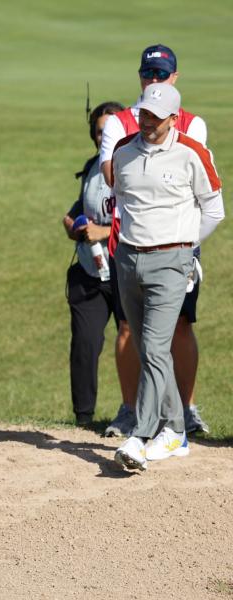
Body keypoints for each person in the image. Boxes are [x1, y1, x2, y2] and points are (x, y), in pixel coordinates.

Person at [100, 44, 211, 437]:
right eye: (148, 74)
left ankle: (184, 408)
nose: (154, 81)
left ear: (174, 78)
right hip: (128, 243)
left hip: (179, 246)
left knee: (179, 326)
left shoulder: (193, 123)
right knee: (129, 329)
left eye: (161, 75)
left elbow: (200, 188)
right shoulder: (117, 122)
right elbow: (112, 175)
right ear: (140, 76)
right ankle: (131, 409)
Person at [111, 83, 223, 472]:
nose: (147, 123)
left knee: (157, 349)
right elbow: (123, 200)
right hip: (127, 259)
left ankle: (140, 437)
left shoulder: (192, 153)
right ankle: (175, 429)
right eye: (144, 115)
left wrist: (186, 248)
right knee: (147, 349)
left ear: (174, 119)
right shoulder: (122, 151)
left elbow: (214, 209)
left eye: (156, 118)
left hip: (172, 261)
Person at [61, 101, 124, 426]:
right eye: (100, 131)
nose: (104, 137)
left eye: (110, 130)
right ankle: (83, 419)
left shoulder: (136, 165)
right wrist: (72, 223)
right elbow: (81, 206)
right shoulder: (91, 166)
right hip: (90, 271)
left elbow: (151, 218)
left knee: (136, 344)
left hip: (128, 272)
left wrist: (106, 230)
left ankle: (140, 414)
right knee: (85, 344)